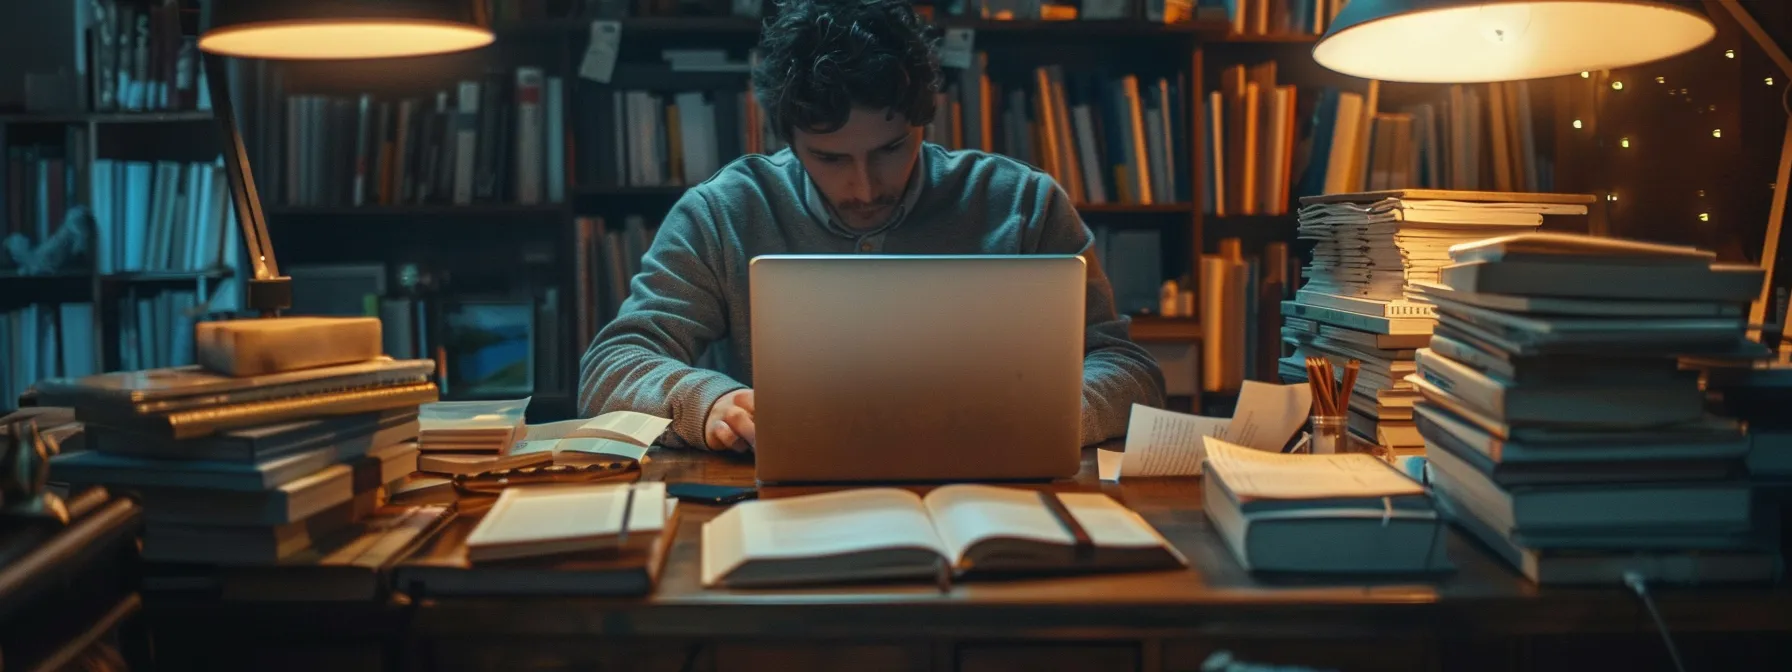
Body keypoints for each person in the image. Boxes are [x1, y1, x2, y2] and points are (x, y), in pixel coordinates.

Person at [578, 0, 1166, 452]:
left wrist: (1051, 414)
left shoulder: (1022, 203)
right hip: (785, 505)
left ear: (924, 120)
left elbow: (1129, 372)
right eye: (830, 159)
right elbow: (614, 364)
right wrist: (708, 403)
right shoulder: (724, 212)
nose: (864, 187)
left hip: (998, 495)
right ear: (789, 140)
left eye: (890, 149)